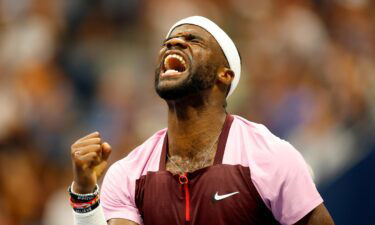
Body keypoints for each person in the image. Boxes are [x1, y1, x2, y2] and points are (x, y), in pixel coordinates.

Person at [68, 16, 335, 225]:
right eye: (168, 42)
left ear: (225, 75)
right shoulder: (128, 173)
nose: (173, 44)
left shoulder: (272, 157)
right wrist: (84, 191)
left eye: (193, 40)